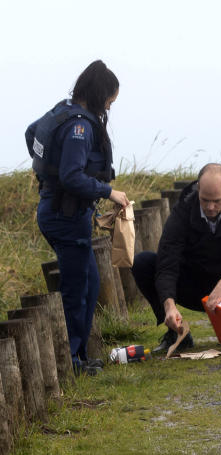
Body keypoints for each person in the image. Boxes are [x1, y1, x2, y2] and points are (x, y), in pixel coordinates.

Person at [25, 60, 130, 376]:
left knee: (88, 283)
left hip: (61, 212)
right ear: (100, 95)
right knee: (76, 289)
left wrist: (47, 174)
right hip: (66, 217)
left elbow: (32, 134)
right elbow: (72, 176)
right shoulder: (79, 128)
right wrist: (108, 192)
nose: (109, 106)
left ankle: (80, 355)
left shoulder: (63, 110)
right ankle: (72, 362)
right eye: (110, 100)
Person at [131, 163, 221, 353]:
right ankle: (176, 332)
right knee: (143, 263)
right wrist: (169, 304)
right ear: (198, 190)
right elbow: (167, 262)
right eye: (204, 200)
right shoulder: (183, 209)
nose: (210, 207)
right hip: (193, 284)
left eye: (217, 201)